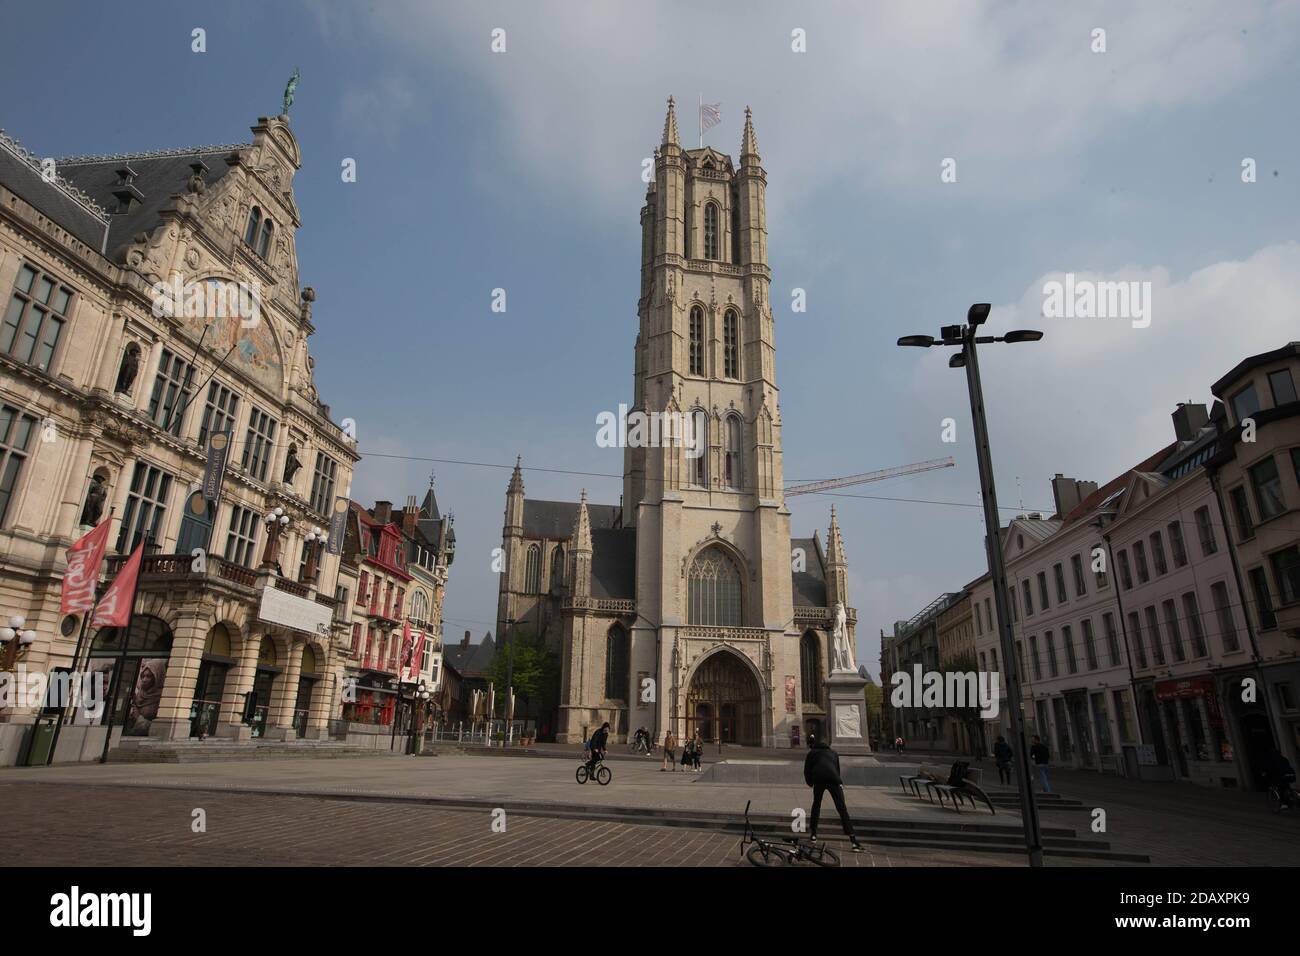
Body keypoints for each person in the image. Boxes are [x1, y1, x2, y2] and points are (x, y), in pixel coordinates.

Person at [804, 735, 862, 852]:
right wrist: (839, 782)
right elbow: (837, 769)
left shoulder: (811, 753)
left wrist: (810, 783)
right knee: (842, 808)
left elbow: (807, 770)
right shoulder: (833, 753)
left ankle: (813, 834)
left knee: (816, 805)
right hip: (833, 780)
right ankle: (853, 840)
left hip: (819, 780)